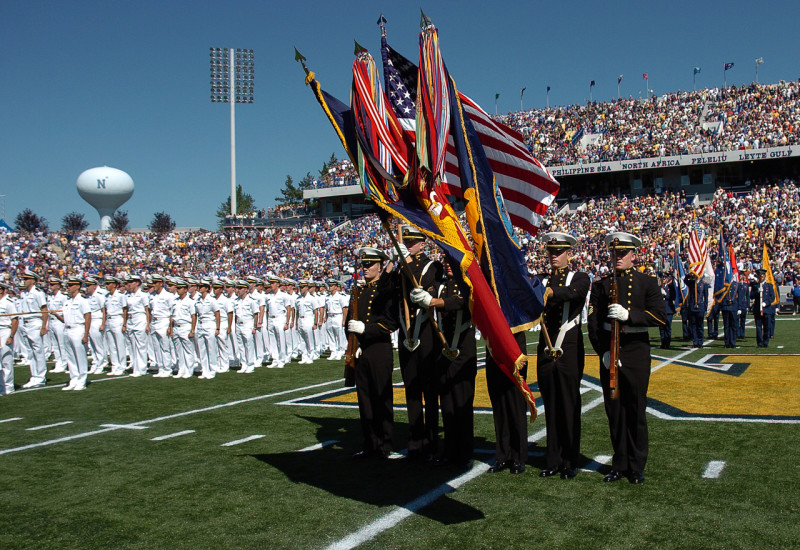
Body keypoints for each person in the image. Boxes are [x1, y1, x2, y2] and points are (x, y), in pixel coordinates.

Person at [588, 232, 667, 485]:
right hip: (611, 351)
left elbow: (660, 317)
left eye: (623, 253)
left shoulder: (647, 282)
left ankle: (636, 465)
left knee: (635, 409)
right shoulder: (600, 285)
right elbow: (593, 323)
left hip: (635, 351)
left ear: (634, 254)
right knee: (614, 410)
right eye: (615, 253)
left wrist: (629, 314)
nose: (618, 257)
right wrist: (604, 351)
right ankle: (619, 463)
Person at [381, 226, 444, 461]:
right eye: (405, 241)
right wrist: (390, 264)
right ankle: (415, 442)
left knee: (429, 389)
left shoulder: (432, 266)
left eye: (412, 241)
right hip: (406, 334)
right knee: (412, 389)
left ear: (422, 243)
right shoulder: (399, 268)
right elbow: (385, 289)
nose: (407, 244)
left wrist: (405, 264)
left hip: (426, 333)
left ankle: (431, 442)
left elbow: (427, 287)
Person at [410, 260, 477, 470]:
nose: (448, 265)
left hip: (463, 350)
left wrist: (434, 302)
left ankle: (465, 453)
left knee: (462, 404)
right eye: (446, 261)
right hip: (444, 352)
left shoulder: (468, 284)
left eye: (453, 262)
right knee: (447, 404)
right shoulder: (440, 286)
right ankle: (449, 451)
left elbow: (461, 302)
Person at [535, 232, 590, 480]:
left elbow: (575, 293)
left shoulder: (579, 277)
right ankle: (552, 459)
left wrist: (550, 293)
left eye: (559, 252)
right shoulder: (541, 281)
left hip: (568, 347)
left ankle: (570, 460)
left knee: (569, 404)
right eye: (551, 252)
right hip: (545, 350)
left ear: (570, 253)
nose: (554, 256)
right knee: (551, 405)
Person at [346, 248, 397, 459]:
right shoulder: (359, 291)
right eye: (363, 264)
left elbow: (390, 323)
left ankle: (384, 444)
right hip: (361, 351)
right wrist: (354, 343)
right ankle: (370, 442)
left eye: (370, 264)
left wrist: (366, 330)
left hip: (379, 350)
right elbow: (350, 321)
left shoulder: (384, 291)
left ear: (380, 266)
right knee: (364, 398)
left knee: (381, 397)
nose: (365, 268)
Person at [19, 270, 49, 388]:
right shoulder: (24, 293)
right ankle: (34, 376)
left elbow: (44, 310)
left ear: (33, 280)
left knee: (38, 351)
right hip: (26, 323)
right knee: (30, 352)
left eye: (26, 279)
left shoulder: (38, 293)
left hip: (36, 322)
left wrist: (43, 326)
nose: (24, 281)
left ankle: (41, 377)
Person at [61, 276, 92, 391]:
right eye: (68, 286)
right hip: (67, 330)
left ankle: (82, 380)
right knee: (71, 357)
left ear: (78, 286)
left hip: (78, 329)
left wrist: (85, 334)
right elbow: (65, 318)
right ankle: (73, 379)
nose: (68, 288)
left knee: (80, 357)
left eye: (70, 285)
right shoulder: (67, 302)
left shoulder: (82, 301)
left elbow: (88, 317)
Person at [169, 279, 198, 378]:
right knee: (179, 351)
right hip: (176, 327)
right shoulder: (175, 301)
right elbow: (172, 316)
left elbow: (194, 316)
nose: (178, 290)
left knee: (188, 350)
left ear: (186, 289)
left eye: (180, 288)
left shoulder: (190, 301)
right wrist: (171, 329)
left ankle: (189, 370)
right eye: (177, 288)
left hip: (186, 326)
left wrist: (192, 330)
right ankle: (181, 370)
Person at [123, 274, 151, 377]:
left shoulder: (143, 295)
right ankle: (136, 368)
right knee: (133, 346)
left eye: (132, 282)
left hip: (140, 319)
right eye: (129, 282)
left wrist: (148, 324)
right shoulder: (128, 295)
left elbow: (147, 310)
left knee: (141, 346)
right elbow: (126, 310)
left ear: (138, 283)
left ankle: (142, 369)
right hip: (131, 320)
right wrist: (125, 324)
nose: (130, 284)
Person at [103, 276, 128, 375]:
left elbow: (125, 310)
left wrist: (124, 324)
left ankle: (122, 366)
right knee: (111, 346)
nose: (106, 286)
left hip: (117, 319)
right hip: (109, 320)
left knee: (119, 345)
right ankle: (115, 366)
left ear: (114, 285)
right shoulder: (106, 296)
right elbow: (105, 310)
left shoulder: (120, 296)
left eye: (108, 284)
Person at [0, 283, 19, 396]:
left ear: (2, 290)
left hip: (5, 331)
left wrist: (11, 336)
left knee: (6, 359)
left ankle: (8, 386)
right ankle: (1, 385)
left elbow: (15, 320)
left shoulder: (8, 302)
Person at [751, 268, 776, 348]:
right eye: (759, 276)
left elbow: (772, 297)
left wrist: (766, 303)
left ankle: (765, 342)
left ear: (764, 276)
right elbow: (751, 296)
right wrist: (757, 291)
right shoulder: (755, 286)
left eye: (762, 276)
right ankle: (759, 343)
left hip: (766, 309)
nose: (761, 277)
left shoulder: (769, 285)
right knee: (758, 327)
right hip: (757, 309)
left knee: (766, 326)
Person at [684, 272, 708, 349]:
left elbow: (706, 296)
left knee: (700, 325)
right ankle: (695, 341)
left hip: (700, 306)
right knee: (693, 325)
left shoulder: (704, 283)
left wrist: (705, 307)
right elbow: (685, 280)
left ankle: (700, 342)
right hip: (692, 306)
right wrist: (689, 274)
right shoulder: (691, 282)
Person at [720, 278, 740, 348]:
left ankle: (733, 342)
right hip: (725, 306)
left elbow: (739, 296)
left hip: (734, 307)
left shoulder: (736, 284)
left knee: (733, 325)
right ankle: (726, 343)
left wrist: (739, 307)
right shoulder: (723, 284)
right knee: (726, 326)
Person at [659, 273, 677, 349]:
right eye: (662, 278)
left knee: (667, 327)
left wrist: (665, 294)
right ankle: (663, 342)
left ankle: (667, 343)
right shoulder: (659, 287)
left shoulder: (671, 287)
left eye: (665, 278)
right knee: (661, 328)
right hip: (661, 310)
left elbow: (672, 297)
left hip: (668, 309)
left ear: (667, 279)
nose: (664, 280)